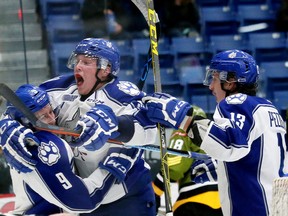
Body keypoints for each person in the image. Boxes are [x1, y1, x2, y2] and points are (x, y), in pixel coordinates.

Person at [0, 38, 158, 215]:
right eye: (77, 61)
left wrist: (124, 131)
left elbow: (149, 128)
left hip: (127, 198)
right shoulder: (60, 87)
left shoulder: (123, 95)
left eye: (86, 62)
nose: (78, 66)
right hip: (85, 193)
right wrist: (5, 123)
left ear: (106, 69)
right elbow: (21, 105)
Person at [142, 49, 288, 216]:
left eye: (215, 78)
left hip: (255, 207)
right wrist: (220, 165)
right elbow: (256, 154)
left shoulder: (236, 102)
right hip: (277, 205)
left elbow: (231, 143)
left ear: (230, 81)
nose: (211, 86)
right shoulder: (267, 107)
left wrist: (182, 117)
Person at [0, 84, 141, 215]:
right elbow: (84, 201)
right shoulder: (41, 146)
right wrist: (114, 166)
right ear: (24, 121)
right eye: (43, 116)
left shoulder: (20, 136)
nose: (52, 119)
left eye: (50, 111)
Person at [153, 105, 222, 216]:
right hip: (225, 200)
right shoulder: (217, 133)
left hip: (195, 199)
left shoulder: (183, 131)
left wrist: (155, 191)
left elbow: (174, 167)